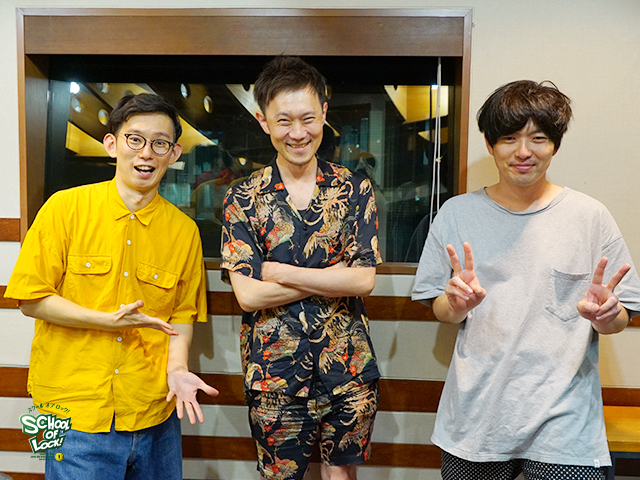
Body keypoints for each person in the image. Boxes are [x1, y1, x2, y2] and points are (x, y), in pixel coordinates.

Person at [411, 80, 640, 479]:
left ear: (555, 145)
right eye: (509, 138)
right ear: (489, 144)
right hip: (476, 418)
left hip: (566, 425)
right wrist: (455, 305)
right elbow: (441, 310)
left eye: (538, 138)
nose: (523, 151)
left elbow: (620, 318)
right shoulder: (456, 214)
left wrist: (608, 316)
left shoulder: (590, 216)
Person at [5, 93, 218, 479]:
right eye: (135, 139)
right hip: (67, 410)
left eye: (160, 143)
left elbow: (182, 317)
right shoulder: (63, 207)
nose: (146, 153)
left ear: (174, 153)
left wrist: (177, 368)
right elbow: (30, 299)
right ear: (112, 144)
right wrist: (106, 321)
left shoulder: (184, 231)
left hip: (154, 410)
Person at [220, 56, 381, 480]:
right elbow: (249, 295)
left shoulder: (354, 188)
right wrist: (333, 277)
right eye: (284, 120)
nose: (298, 133)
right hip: (273, 373)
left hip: (348, 366)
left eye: (308, 118)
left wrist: (280, 271)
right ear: (263, 121)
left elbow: (363, 279)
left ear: (324, 113)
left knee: (340, 476)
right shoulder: (242, 197)